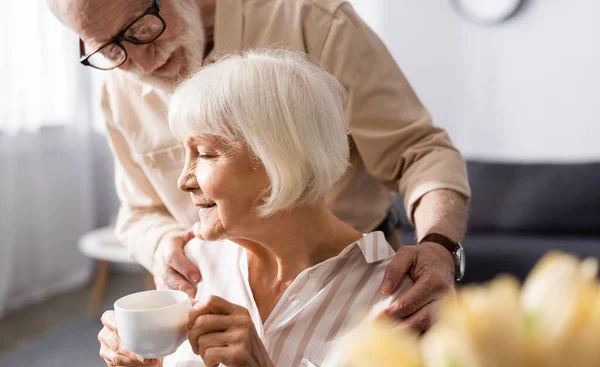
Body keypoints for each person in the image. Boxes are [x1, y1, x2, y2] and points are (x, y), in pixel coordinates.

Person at [49, 0, 471, 332]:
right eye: (110, 48)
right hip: (219, 292)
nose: (141, 63)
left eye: (141, 28)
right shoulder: (117, 89)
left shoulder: (313, 19)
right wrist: (160, 245)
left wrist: (439, 246)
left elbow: (418, 150)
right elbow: (139, 211)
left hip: (352, 282)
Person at [99, 49, 415, 367]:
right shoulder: (192, 268)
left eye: (204, 154)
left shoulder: (395, 300)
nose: (183, 181)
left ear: (279, 159)